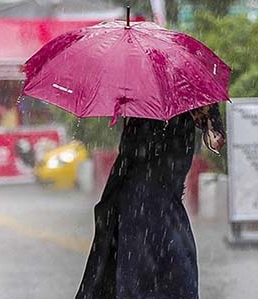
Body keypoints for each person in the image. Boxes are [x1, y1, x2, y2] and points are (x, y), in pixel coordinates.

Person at [75, 104, 225, 299]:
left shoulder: (155, 100)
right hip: (146, 204)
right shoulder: (171, 100)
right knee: (156, 277)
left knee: (156, 277)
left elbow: (214, 139)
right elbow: (215, 140)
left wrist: (210, 121)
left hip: (150, 203)